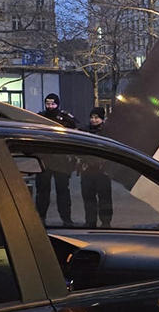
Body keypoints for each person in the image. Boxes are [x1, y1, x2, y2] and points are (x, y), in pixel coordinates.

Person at [36, 93, 78, 227]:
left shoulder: (66, 118)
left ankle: (66, 218)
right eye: (48, 104)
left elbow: (75, 134)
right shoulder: (39, 118)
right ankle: (41, 217)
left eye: (52, 104)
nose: (50, 107)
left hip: (61, 160)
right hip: (44, 159)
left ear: (57, 104)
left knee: (63, 191)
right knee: (42, 191)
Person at [80, 107, 114, 228]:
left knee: (104, 198)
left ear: (102, 119)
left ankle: (105, 222)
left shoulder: (108, 132)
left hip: (102, 170)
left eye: (97, 118)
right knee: (88, 198)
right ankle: (90, 221)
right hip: (87, 170)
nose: (94, 120)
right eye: (92, 117)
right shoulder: (84, 131)